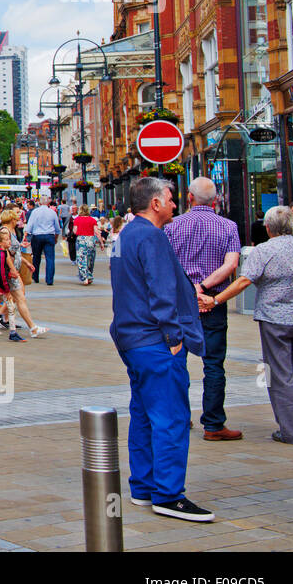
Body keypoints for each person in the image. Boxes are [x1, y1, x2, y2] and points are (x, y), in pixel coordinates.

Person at [110, 176, 213, 522]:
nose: (174, 204)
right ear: (155, 203)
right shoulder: (152, 236)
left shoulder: (126, 234)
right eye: (170, 199)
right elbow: (159, 290)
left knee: (143, 413)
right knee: (171, 418)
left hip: (131, 337)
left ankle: (143, 486)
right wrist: (174, 338)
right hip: (154, 340)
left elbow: (136, 283)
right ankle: (169, 495)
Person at [207, 206, 293, 445]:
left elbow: (244, 281)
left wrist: (216, 300)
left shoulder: (263, 250)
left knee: (279, 374)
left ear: (267, 228)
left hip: (275, 320)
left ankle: (291, 431)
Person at [164, 177, 244, 442]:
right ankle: (213, 424)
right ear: (216, 200)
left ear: (189, 198)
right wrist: (204, 286)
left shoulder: (172, 225)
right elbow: (231, 264)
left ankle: (179, 417)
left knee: (177, 361)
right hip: (212, 302)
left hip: (179, 302)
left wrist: (190, 288)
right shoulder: (229, 226)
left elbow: (165, 263)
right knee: (214, 365)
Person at [0, 209, 47, 339]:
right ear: (11, 219)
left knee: (15, 298)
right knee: (19, 299)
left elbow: (15, 251)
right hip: (10, 272)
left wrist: (26, 263)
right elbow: (5, 252)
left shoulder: (10, 231)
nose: (18, 220)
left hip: (13, 270)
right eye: (16, 218)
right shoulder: (4, 231)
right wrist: (13, 269)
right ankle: (32, 328)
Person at [24, 199, 61, 285]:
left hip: (37, 236)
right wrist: (55, 238)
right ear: (48, 203)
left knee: (36, 257)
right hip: (49, 236)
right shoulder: (52, 212)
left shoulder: (35, 212)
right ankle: (49, 279)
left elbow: (29, 226)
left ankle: (35, 276)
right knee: (50, 258)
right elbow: (57, 228)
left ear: (39, 203)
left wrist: (26, 235)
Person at [74, 205, 99, 284]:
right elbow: (97, 232)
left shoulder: (77, 219)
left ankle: (84, 277)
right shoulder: (93, 220)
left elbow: (75, 231)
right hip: (91, 240)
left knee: (81, 259)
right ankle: (90, 276)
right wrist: (101, 242)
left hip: (81, 240)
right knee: (90, 259)